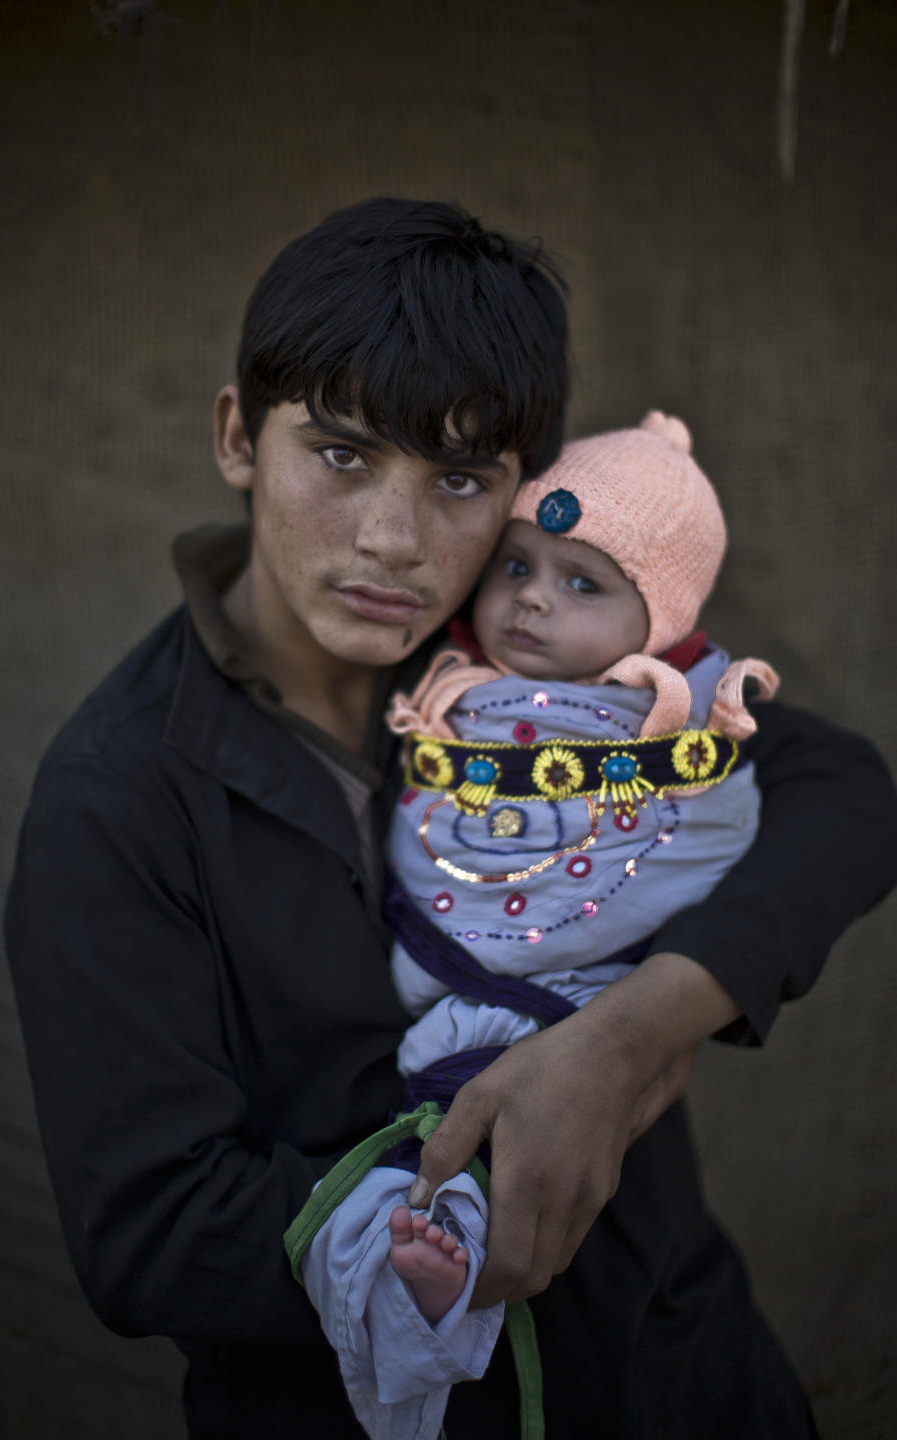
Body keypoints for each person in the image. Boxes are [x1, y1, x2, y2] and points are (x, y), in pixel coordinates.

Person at [4, 198, 897, 1440]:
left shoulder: (542, 671)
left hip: (685, 1372)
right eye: (342, 454)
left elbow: (841, 788)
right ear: (235, 436)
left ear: (521, 489)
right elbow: (147, 1235)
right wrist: (459, 1215)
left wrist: (631, 1035)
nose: (394, 541)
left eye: (461, 481)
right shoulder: (118, 796)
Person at [295, 411, 781, 1440]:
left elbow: (720, 832)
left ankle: (443, 1254)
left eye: (582, 584)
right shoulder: (446, 680)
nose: (529, 602)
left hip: (579, 993)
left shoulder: (678, 716)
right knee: (430, 1145)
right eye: (515, 564)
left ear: (661, 622)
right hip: (441, 967)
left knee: (494, 1128)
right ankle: (429, 1265)